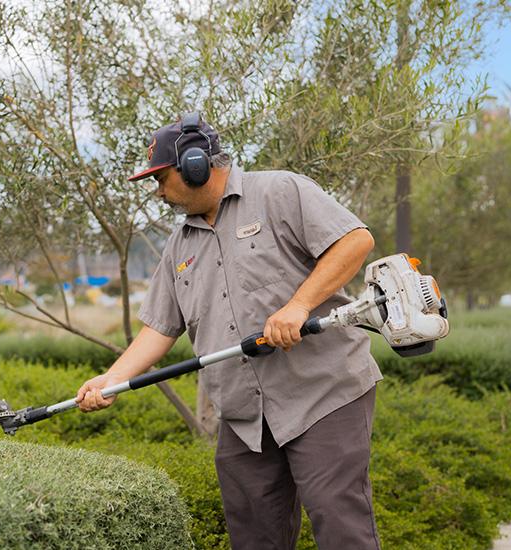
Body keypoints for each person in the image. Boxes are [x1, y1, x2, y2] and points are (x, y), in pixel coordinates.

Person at [75, 113, 383, 550]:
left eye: (161, 179)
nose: (158, 192)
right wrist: (113, 379)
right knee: (254, 538)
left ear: (196, 165)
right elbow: (159, 329)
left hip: (323, 395)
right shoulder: (179, 246)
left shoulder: (279, 191)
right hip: (244, 419)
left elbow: (355, 240)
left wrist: (298, 306)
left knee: (339, 525)